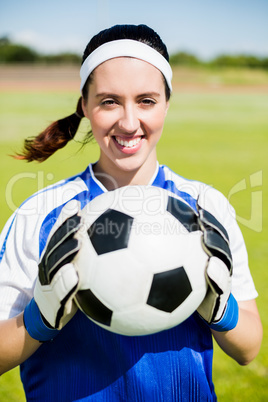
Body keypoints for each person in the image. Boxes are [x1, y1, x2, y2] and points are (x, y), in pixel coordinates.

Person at [0, 24, 262, 401]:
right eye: (109, 101)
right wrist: (38, 321)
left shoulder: (205, 208)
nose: (128, 121)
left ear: (167, 103)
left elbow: (248, 349)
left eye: (146, 100)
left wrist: (223, 311)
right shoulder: (41, 215)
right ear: (85, 106)